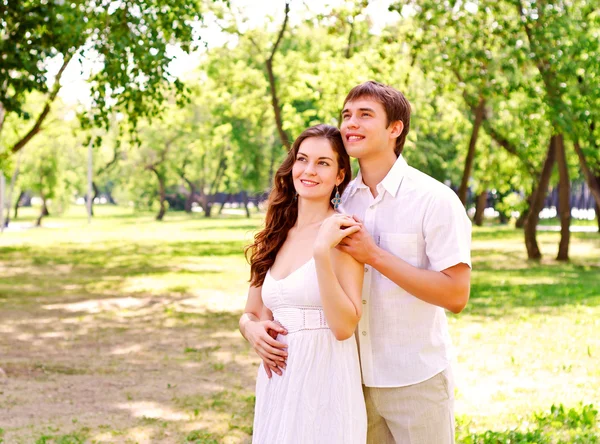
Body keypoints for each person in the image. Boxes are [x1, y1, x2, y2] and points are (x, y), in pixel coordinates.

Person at [337, 80, 472, 443]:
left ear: (394, 129)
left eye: (365, 115)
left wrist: (375, 256)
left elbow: (456, 295)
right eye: (346, 115)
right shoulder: (341, 200)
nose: (351, 123)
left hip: (416, 379)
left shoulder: (434, 200)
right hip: (352, 380)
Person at [239, 124, 368, 443]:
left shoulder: (343, 232)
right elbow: (251, 313)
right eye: (302, 159)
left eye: (323, 162)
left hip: (326, 376)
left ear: (339, 175)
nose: (309, 170)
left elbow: (343, 328)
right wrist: (251, 330)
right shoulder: (272, 235)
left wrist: (322, 251)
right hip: (278, 380)